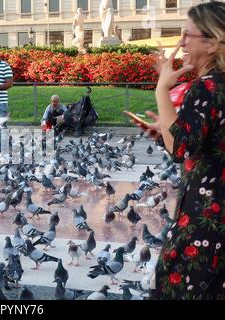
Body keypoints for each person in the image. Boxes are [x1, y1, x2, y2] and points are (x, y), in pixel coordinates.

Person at [133, 1, 224, 300]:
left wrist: (162, 88)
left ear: (212, 43)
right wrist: (166, 132)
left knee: (180, 287)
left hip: (203, 221)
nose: (181, 42)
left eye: (188, 36)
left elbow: (180, 147)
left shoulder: (205, 87)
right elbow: (202, 144)